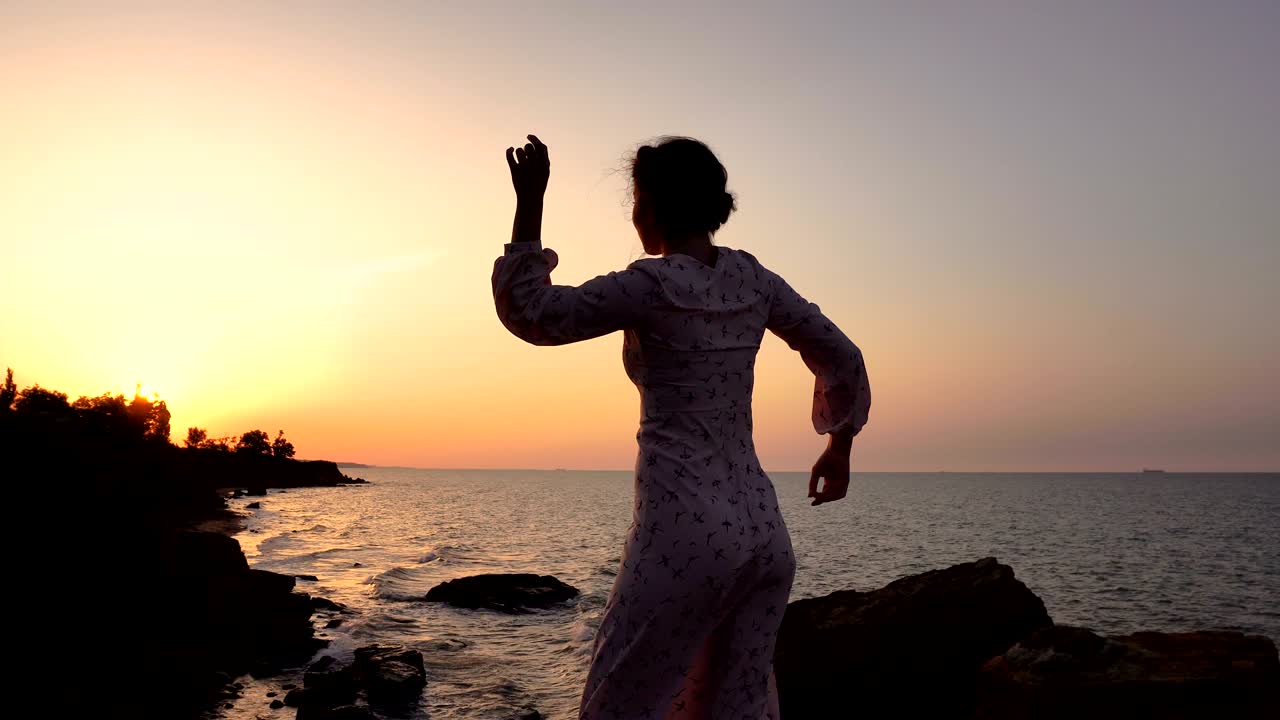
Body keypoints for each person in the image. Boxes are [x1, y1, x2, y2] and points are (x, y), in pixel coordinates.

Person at [493, 134, 870, 720]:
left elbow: (535, 312)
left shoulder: (651, 284)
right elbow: (840, 353)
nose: (634, 213)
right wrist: (838, 443)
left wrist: (530, 202)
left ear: (653, 206)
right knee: (736, 708)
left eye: (636, 199)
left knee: (620, 703)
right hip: (764, 535)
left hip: (683, 535)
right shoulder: (755, 279)